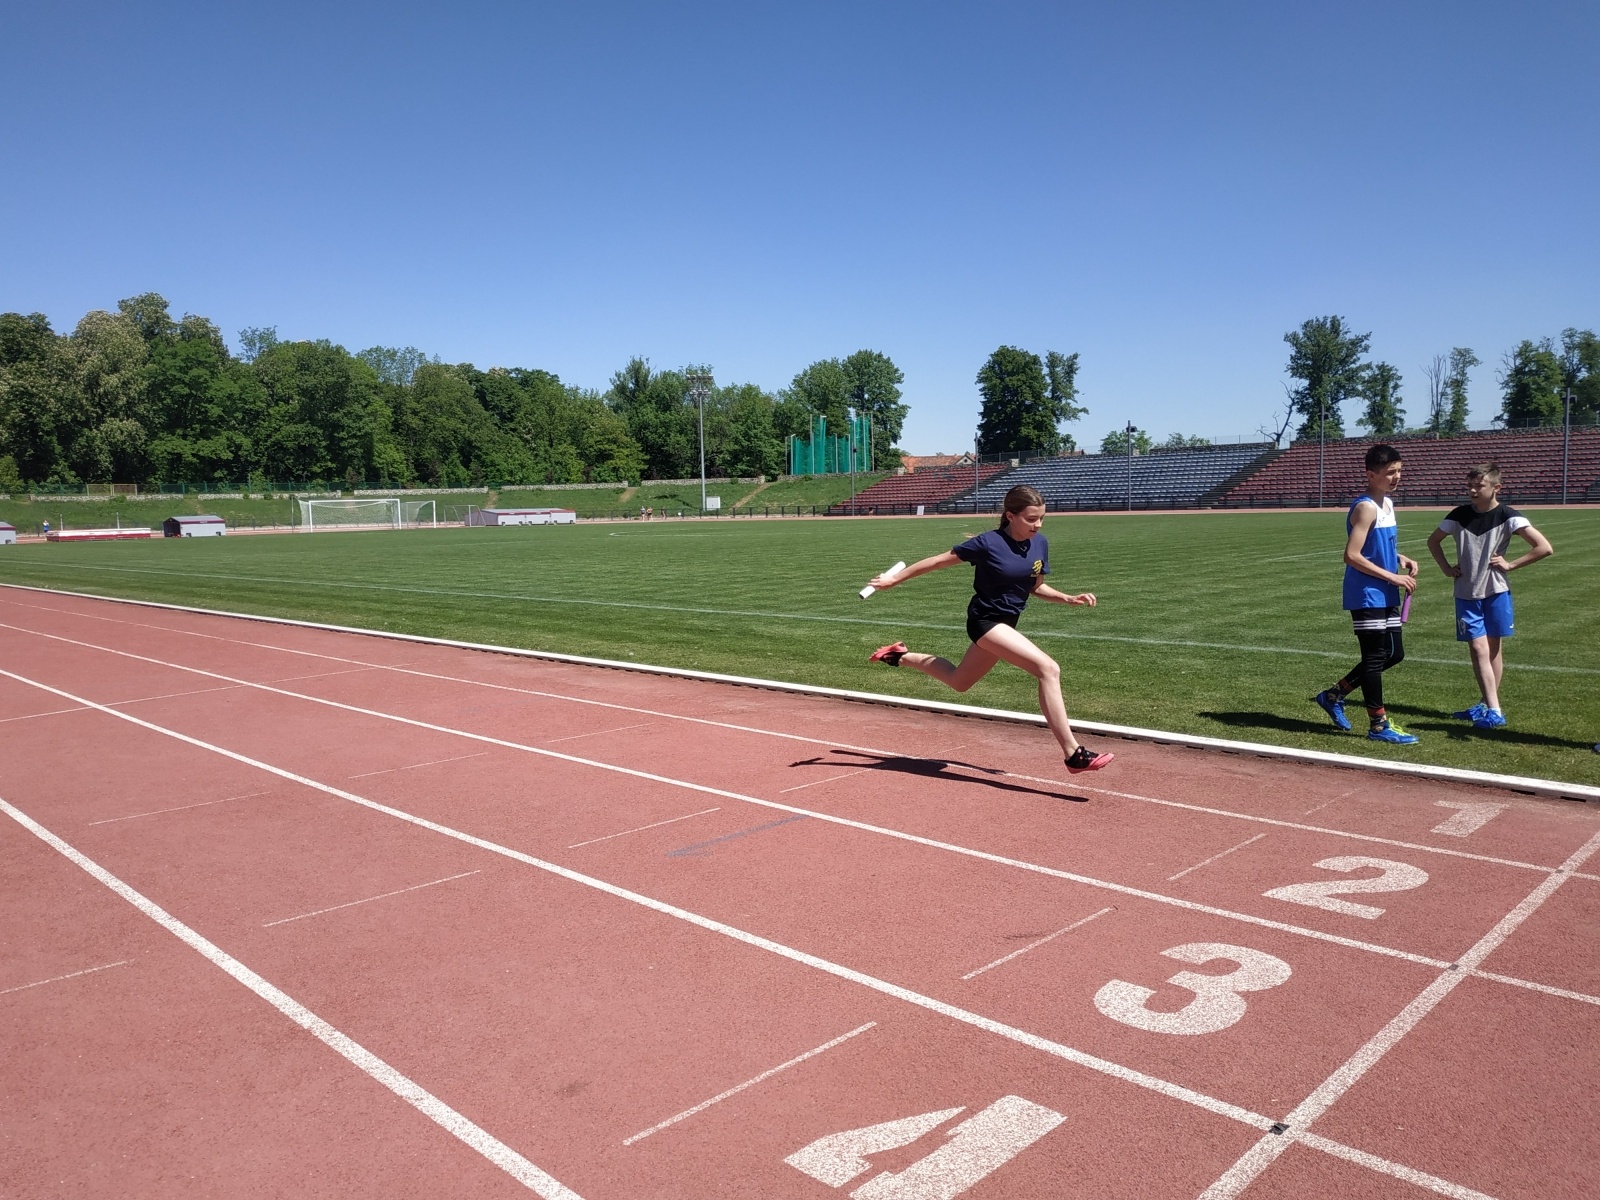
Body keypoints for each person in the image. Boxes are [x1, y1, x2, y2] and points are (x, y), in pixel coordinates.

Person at [863, 484, 1114, 773]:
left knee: (959, 681)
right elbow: (936, 562)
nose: (1038, 524)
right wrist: (895, 580)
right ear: (1011, 515)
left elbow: (1036, 586)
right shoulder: (987, 543)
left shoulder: (1040, 543)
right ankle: (1073, 754)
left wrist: (1067, 597)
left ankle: (897, 656)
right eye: (1031, 518)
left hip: (1007, 623)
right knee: (1048, 669)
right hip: (985, 622)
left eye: (1042, 517)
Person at [1425, 464, 1553, 730]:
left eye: (1478, 486)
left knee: (1493, 650)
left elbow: (1543, 547)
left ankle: (1486, 706)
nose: (1472, 490)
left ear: (1496, 488)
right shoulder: (1459, 515)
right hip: (1466, 593)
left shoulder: (1508, 516)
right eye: (1469, 485)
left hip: (1496, 591)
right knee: (1478, 648)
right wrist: (1446, 567)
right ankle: (1494, 710)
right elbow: (1433, 541)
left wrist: (1511, 564)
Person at [1311, 444, 1420, 744]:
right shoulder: (1366, 507)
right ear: (1371, 475)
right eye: (1389, 473)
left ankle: (1333, 695)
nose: (1396, 477)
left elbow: (1376, 545)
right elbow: (1352, 555)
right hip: (1367, 593)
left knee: (1393, 653)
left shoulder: (1387, 504)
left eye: (1398, 471)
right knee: (1374, 658)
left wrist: (1399, 557)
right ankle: (1378, 726)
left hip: (1384, 591)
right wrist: (1393, 577)